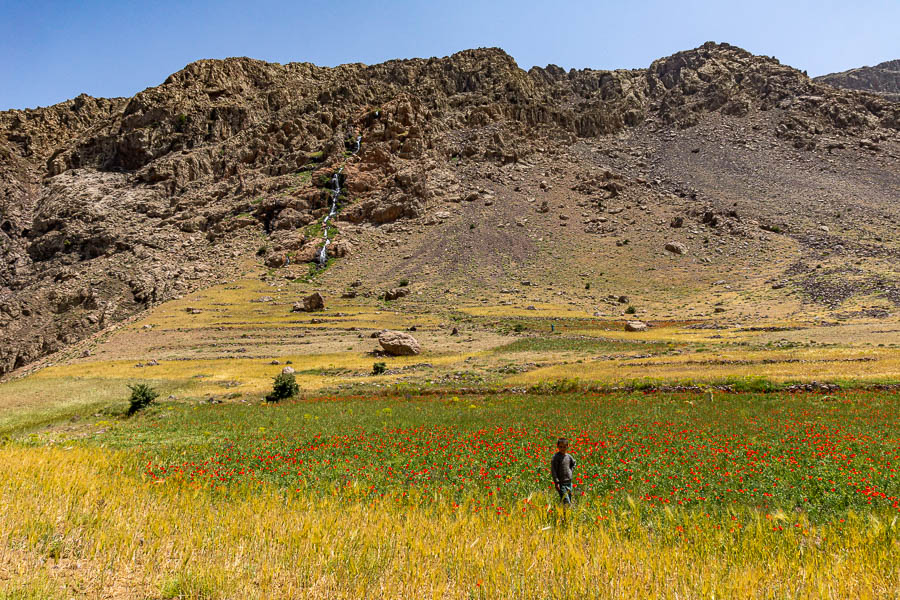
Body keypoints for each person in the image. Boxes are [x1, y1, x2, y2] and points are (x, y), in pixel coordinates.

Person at [551, 437, 576, 505]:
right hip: (561, 483)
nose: (562, 448)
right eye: (561, 447)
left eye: (564, 447)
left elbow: (574, 463)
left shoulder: (569, 456)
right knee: (566, 501)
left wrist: (570, 471)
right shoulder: (556, 457)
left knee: (568, 500)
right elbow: (554, 470)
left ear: (568, 446)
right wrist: (556, 482)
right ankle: (564, 513)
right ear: (557, 446)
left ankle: (564, 514)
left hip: (569, 482)